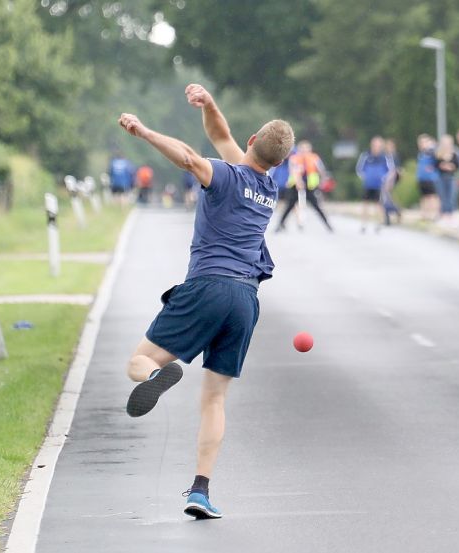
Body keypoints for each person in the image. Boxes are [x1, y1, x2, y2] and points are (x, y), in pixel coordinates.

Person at [118, 83, 294, 520]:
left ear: (252, 141)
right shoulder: (267, 187)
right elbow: (220, 136)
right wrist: (210, 105)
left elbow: (191, 156)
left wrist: (143, 132)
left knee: (137, 363)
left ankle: (159, 369)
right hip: (246, 300)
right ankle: (201, 490)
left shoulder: (227, 174)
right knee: (214, 399)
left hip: (209, 286)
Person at [275, 140, 334, 232]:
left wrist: (322, 182)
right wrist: (298, 182)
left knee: (317, 206)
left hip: (310, 186)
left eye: (306, 149)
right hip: (296, 186)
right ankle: (280, 225)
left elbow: (321, 170)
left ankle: (328, 225)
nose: (304, 151)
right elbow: (293, 171)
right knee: (289, 206)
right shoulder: (294, 158)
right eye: (302, 149)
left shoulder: (314, 158)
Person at [356, 136, 394, 232]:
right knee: (365, 204)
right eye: (375, 145)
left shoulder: (385, 157)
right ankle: (364, 224)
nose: (376, 147)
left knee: (379, 204)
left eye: (378, 145)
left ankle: (379, 224)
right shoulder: (366, 156)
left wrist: (384, 179)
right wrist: (365, 177)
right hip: (368, 184)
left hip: (379, 185)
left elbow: (390, 170)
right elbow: (359, 169)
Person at [435, 134, 459, 225]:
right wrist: (442, 165)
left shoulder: (454, 153)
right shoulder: (438, 153)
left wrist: (450, 166)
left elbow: (457, 165)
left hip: (451, 177)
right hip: (441, 177)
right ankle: (443, 214)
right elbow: (436, 165)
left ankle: (450, 215)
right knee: (442, 196)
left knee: (451, 196)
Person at [415, 134, 440, 221]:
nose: (422, 144)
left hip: (431, 178)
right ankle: (425, 215)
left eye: (424, 142)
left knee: (432, 196)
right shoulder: (421, 154)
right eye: (420, 143)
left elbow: (439, 159)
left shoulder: (432, 152)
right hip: (422, 179)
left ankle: (433, 215)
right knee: (424, 197)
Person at [382, 139, 402, 226]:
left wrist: (392, 180)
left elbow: (397, 170)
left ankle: (396, 210)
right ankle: (388, 217)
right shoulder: (384, 156)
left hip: (391, 180)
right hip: (383, 179)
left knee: (386, 198)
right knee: (384, 199)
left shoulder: (394, 157)